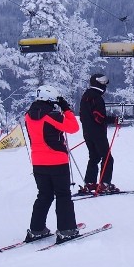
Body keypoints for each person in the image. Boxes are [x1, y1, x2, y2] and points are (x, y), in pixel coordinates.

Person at [25, 84, 81, 244]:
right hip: (57, 162)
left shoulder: (28, 116)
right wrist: (67, 109)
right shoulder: (53, 115)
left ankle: (36, 229)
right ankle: (67, 230)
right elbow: (73, 128)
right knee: (63, 196)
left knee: (44, 196)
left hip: (38, 163)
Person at [78, 73, 121, 193]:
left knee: (94, 157)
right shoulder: (97, 98)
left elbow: (84, 116)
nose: (104, 85)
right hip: (98, 133)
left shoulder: (85, 96)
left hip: (87, 132)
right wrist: (114, 120)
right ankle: (104, 184)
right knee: (107, 158)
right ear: (97, 83)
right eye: (102, 82)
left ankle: (90, 183)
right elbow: (99, 118)